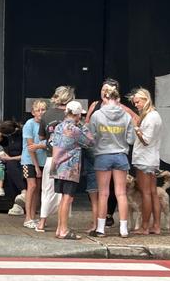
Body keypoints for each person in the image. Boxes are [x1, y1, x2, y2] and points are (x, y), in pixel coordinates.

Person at [85, 78, 138, 228]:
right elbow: (131, 139)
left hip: (102, 154)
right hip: (120, 155)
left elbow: (90, 134)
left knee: (103, 193)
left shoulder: (97, 114)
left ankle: (100, 228)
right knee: (121, 193)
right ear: (118, 97)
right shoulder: (125, 115)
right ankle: (124, 228)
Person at [50, 101, 94, 240]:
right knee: (67, 199)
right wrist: (83, 126)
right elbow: (90, 142)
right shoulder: (74, 129)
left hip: (57, 166)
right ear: (77, 114)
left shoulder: (58, 127)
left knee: (63, 198)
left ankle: (59, 228)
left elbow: (50, 142)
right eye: (80, 115)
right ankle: (63, 230)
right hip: (70, 168)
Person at [36, 86, 74, 232]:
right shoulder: (70, 115)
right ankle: (61, 225)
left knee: (47, 190)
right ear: (69, 99)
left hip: (51, 157)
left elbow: (41, 137)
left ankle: (41, 222)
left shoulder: (47, 115)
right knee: (65, 193)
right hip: (67, 158)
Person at [130, 88, 163, 235]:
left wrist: (136, 127)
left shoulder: (149, 117)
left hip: (144, 158)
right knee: (153, 192)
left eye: (137, 102)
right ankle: (156, 225)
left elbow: (146, 140)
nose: (136, 105)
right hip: (152, 158)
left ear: (145, 100)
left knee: (146, 193)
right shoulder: (155, 116)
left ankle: (144, 226)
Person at [21, 100, 46, 229]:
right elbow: (31, 147)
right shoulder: (29, 124)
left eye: (43, 110)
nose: (41, 113)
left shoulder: (46, 125)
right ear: (33, 112)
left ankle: (33, 216)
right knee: (32, 186)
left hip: (43, 160)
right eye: (38, 110)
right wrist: (36, 166)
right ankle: (27, 217)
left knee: (38, 189)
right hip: (29, 160)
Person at [0, 120, 26, 215]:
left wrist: (10, 158)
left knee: (11, 166)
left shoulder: (23, 135)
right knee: (9, 172)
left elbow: (26, 154)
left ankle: (24, 192)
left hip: (23, 161)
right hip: (11, 161)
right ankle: (17, 204)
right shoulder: (8, 137)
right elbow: (3, 146)